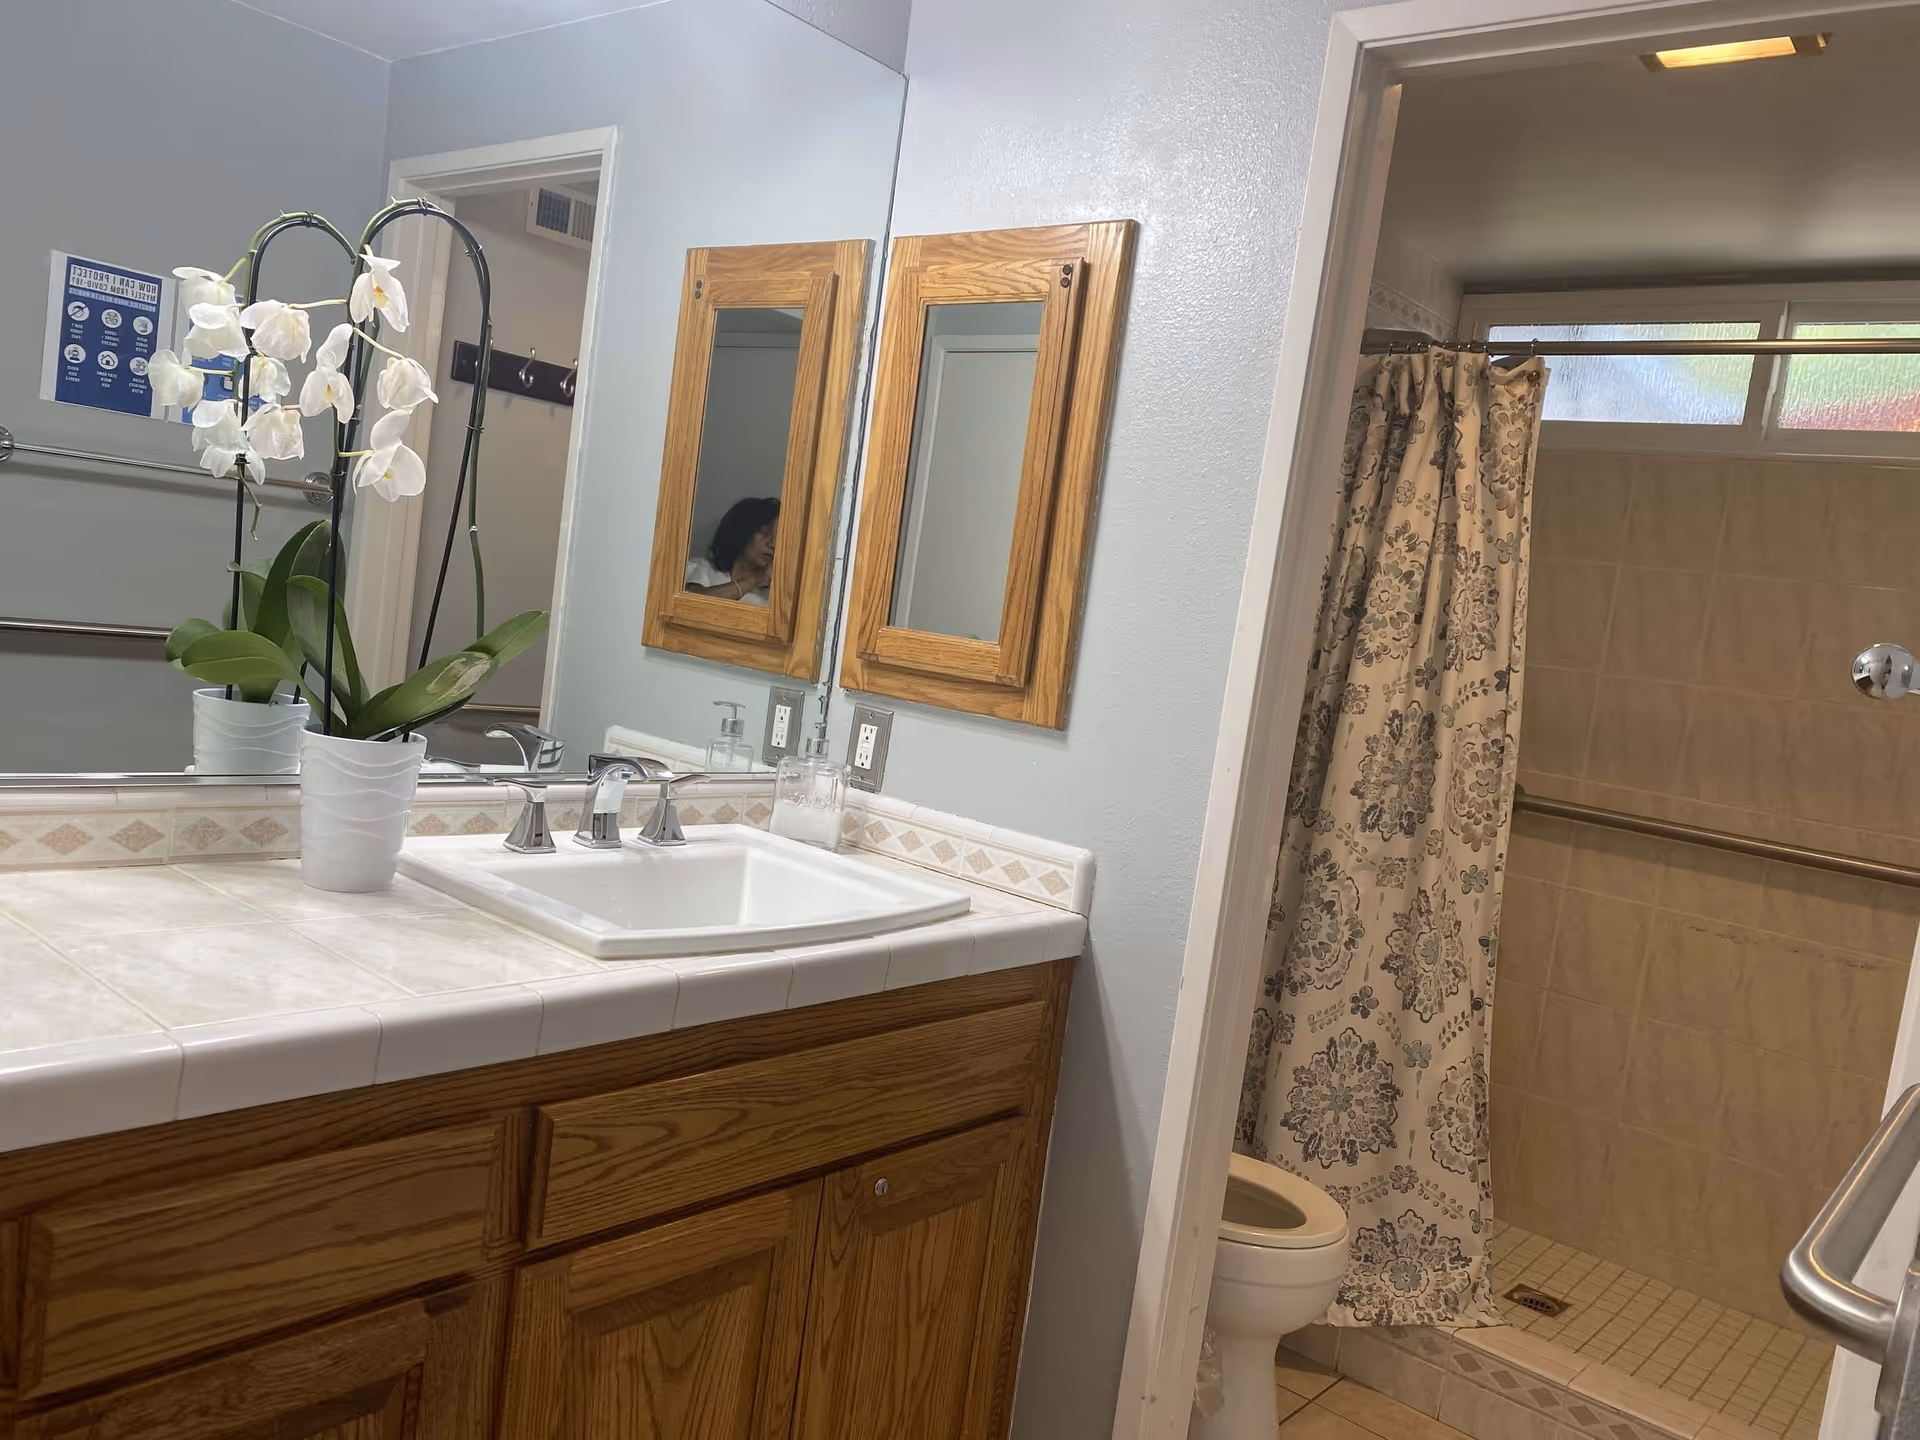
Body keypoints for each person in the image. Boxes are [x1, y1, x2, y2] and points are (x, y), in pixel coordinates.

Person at [685, 497, 779, 605]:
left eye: (778, 536)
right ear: (742, 531)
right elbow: (689, 602)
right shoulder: (702, 569)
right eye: (765, 531)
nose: (772, 544)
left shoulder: (773, 598)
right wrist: (755, 580)